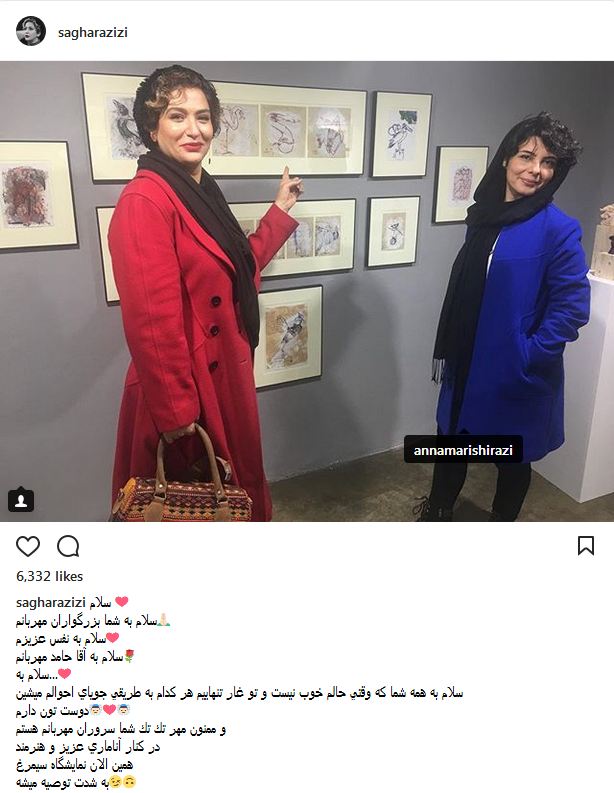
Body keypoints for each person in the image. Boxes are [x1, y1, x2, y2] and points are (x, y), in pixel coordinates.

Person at [109, 65, 303, 521]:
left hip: (220, 378)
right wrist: (179, 417)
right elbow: (151, 323)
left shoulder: (200, 191)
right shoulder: (145, 201)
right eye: (177, 116)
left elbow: (233, 273)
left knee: (226, 504)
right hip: (186, 394)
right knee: (192, 511)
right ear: (152, 128)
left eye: (203, 117)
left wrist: (279, 211)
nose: (194, 130)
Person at [416, 112, 590, 522]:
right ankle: (437, 512)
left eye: (548, 162)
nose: (536, 170)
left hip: (515, 369)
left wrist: (528, 354)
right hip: (467, 358)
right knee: (452, 439)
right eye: (527, 156)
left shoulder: (558, 229)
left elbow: (571, 308)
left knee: (511, 456)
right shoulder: (483, 217)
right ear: (506, 158)